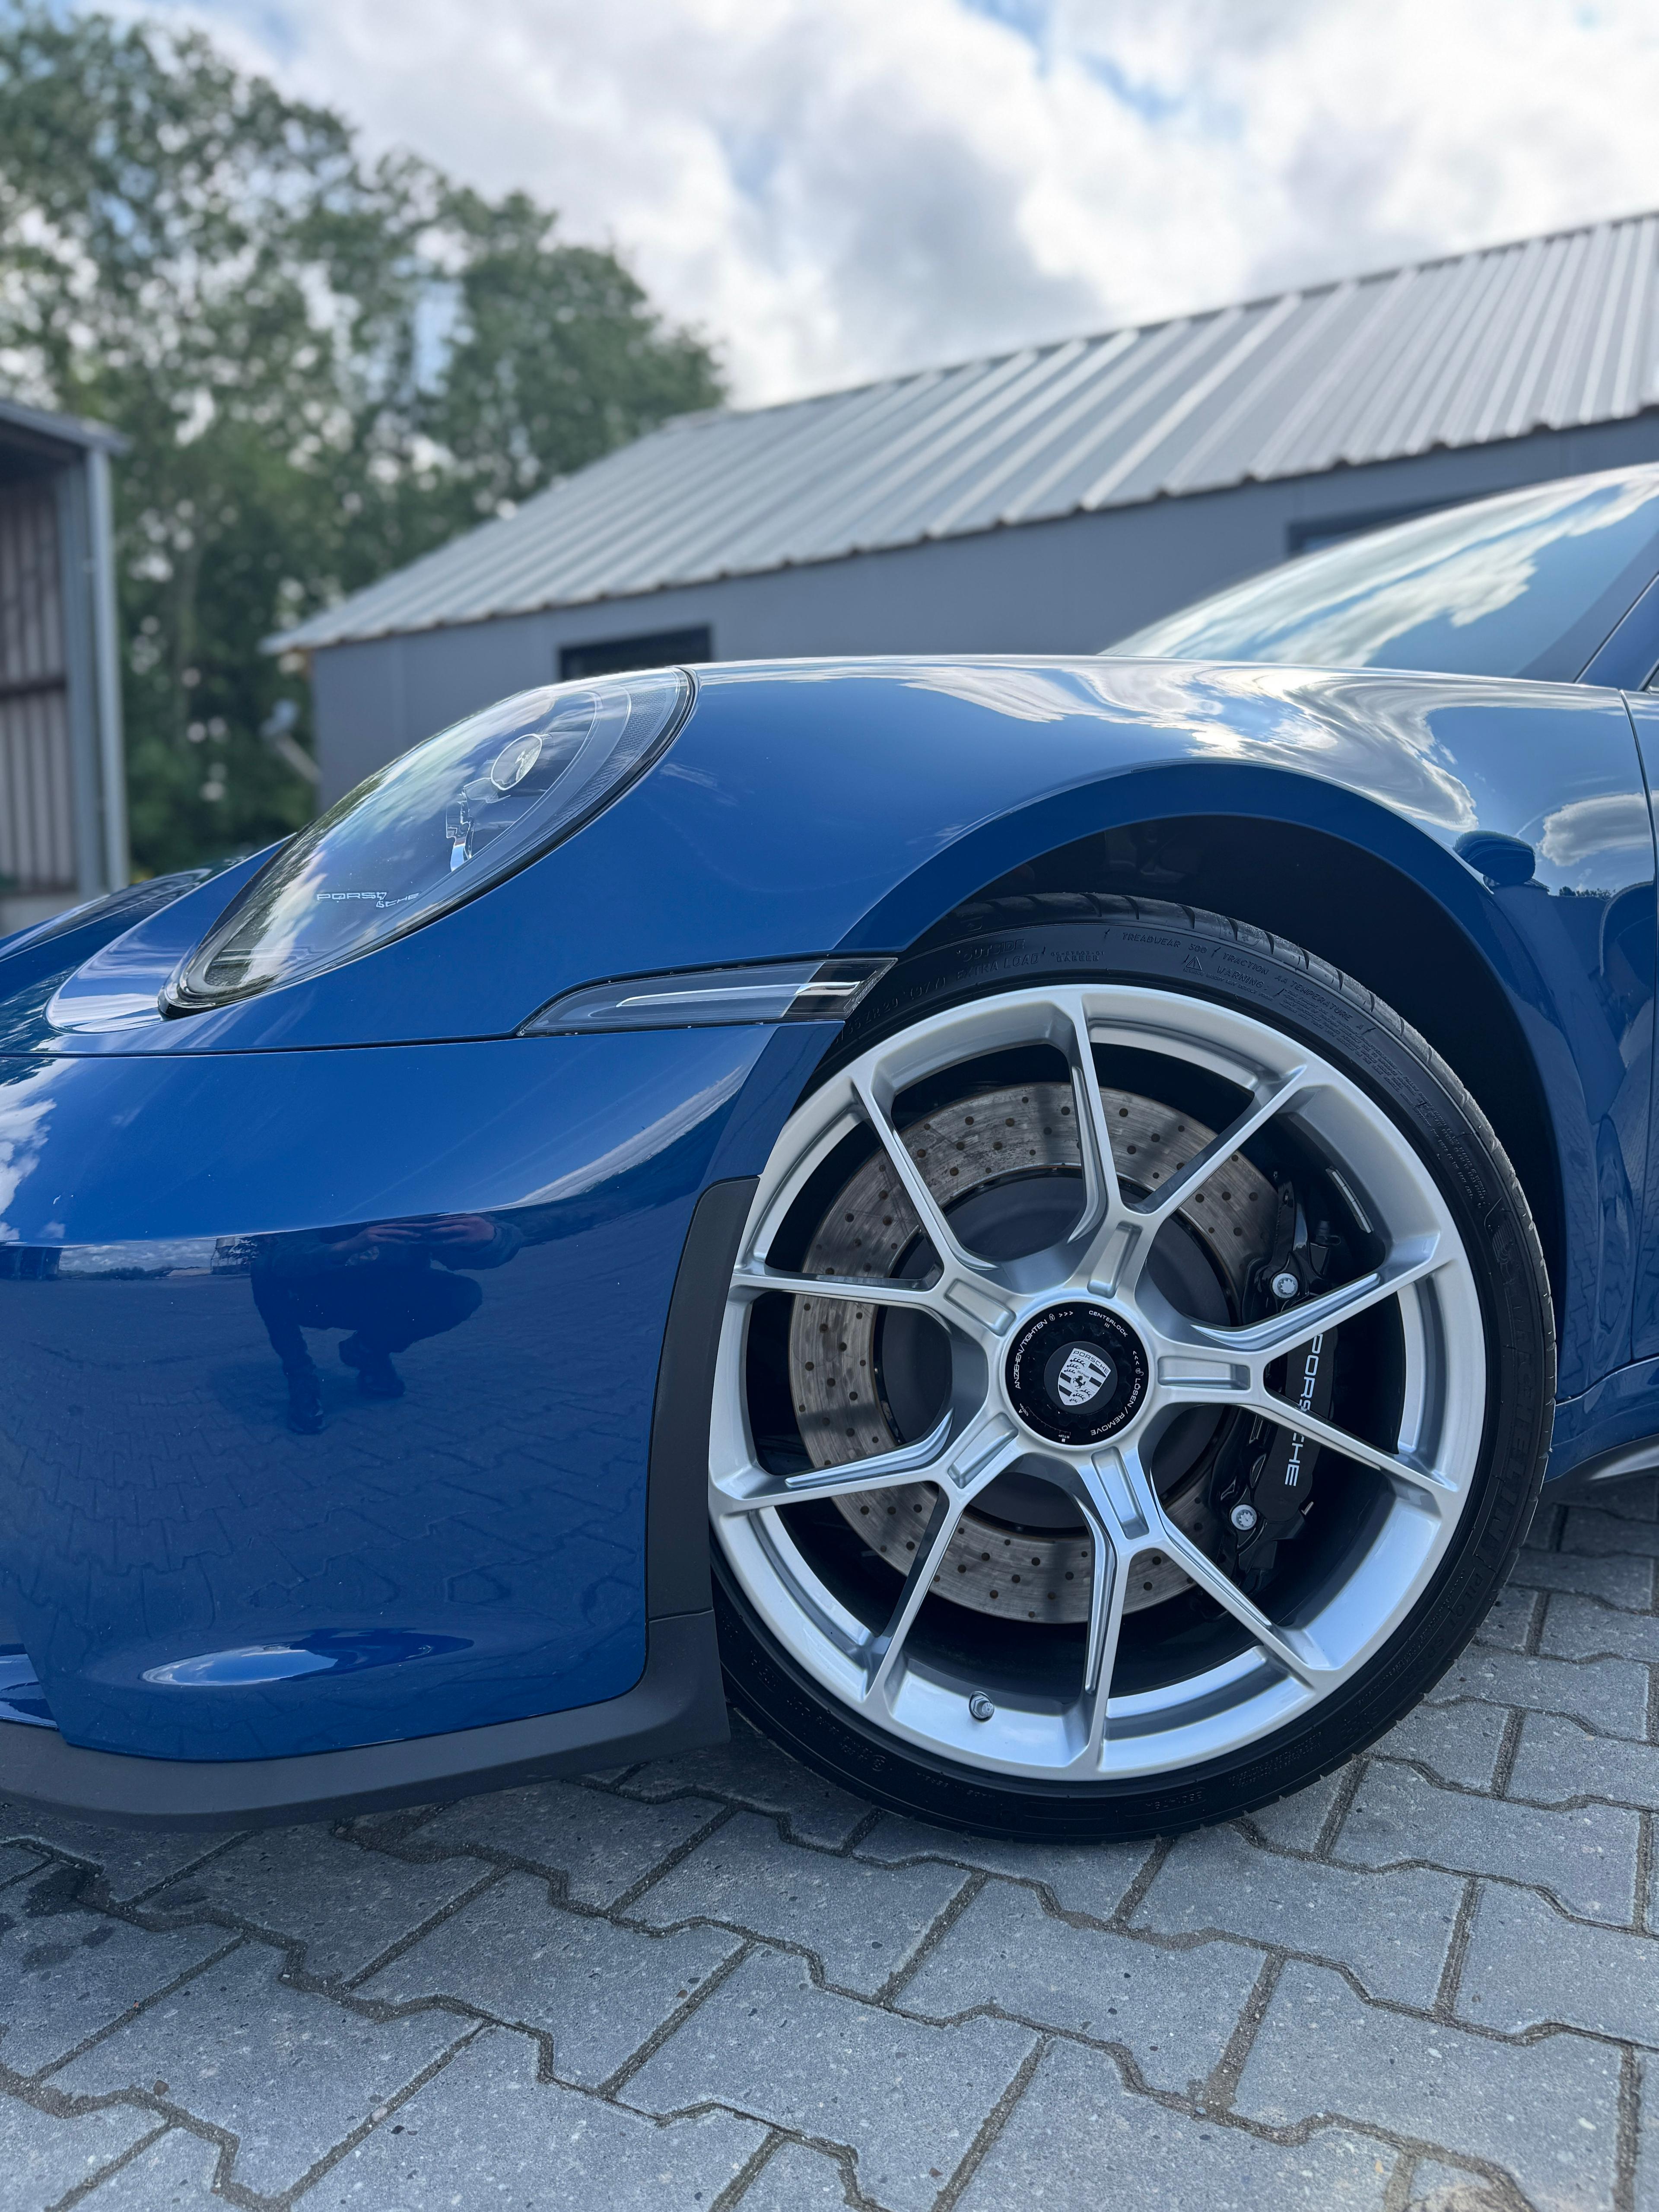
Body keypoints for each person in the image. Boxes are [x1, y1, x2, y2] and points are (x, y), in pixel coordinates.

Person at [250, 1213, 521, 1433]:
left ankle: (368, 1350)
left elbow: (466, 1254)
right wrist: (348, 1247)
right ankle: (301, 1378)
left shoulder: (411, 1200)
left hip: (384, 1297)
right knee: (264, 1269)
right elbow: (285, 1257)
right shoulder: (322, 1198)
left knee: (462, 1293)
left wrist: (488, 1238)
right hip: (323, 1300)